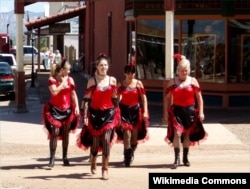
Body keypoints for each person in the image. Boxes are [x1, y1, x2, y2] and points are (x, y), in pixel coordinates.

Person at [77, 53, 120, 180]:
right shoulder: (92, 81)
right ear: (97, 66)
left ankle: (105, 169)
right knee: (95, 143)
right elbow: (86, 99)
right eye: (101, 65)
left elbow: (114, 98)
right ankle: (94, 160)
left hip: (109, 113)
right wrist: (84, 115)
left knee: (106, 140)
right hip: (95, 114)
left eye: (105, 65)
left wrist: (118, 103)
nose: (104, 67)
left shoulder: (112, 80)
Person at [164, 54, 207, 169]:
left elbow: (199, 98)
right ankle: (177, 158)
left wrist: (201, 112)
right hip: (177, 111)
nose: (184, 73)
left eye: (186, 70)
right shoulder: (172, 82)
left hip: (190, 111)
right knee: (177, 134)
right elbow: (167, 98)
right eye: (182, 70)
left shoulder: (193, 81)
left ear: (189, 70)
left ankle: (185, 157)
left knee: (187, 134)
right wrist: (165, 113)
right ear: (178, 70)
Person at [42, 59, 80, 168]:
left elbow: (73, 94)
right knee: (55, 131)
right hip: (54, 110)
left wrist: (76, 106)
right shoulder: (52, 79)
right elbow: (54, 92)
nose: (69, 72)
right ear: (62, 70)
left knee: (65, 133)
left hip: (67, 109)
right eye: (68, 70)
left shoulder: (71, 80)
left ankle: (65, 157)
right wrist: (63, 82)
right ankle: (52, 157)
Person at [116, 63, 149, 167]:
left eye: (132, 73)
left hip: (135, 111)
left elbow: (144, 98)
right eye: (128, 73)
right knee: (127, 134)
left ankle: (131, 152)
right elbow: (116, 99)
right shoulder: (121, 85)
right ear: (125, 73)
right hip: (124, 110)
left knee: (134, 137)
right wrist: (116, 111)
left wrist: (145, 111)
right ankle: (127, 158)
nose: (130, 75)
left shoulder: (138, 84)